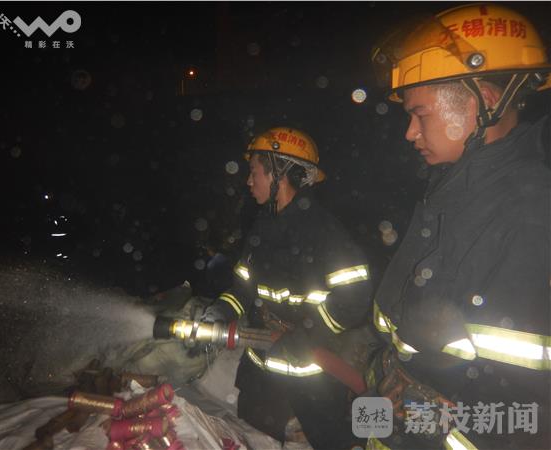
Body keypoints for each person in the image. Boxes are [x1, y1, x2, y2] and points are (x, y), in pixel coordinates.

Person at [367, 3, 550, 449]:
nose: (409, 132)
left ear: (483, 102)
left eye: (421, 114)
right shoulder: (449, 195)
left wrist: (430, 425)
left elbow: (526, 413)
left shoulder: (529, 211)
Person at [203, 127, 374, 449]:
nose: (248, 181)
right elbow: (243, 285)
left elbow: (354, 297)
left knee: (333, 441)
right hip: (263, 366)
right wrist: (221, 311)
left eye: (254, 172)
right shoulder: (263, 225)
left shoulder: (322, 230)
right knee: (253, 434)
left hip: (312, 374)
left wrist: (307, 334)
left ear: (278, 173)